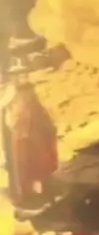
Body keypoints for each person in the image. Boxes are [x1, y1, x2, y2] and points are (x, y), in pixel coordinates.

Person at [0, 67, 58, 212]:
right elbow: (12, 118)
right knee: (23, 169)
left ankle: (43, 193)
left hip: (30, 137)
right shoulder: (12, 95)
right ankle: (26, 196)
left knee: (37, 166)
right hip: (22, 138)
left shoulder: (27, 94)